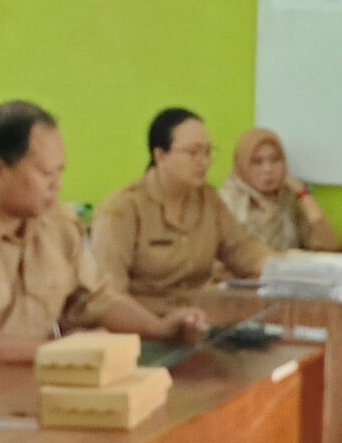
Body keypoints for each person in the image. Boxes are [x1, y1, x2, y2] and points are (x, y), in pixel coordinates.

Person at [0, 101, 211, 394]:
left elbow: (97, 298)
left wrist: (156, 327)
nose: (57, 185)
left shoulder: (58, 227)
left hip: (21, 395)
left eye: (60, 172)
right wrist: (54, 351)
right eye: (44, 173)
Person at [91, 108, 272, 305]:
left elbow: (243, 250)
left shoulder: (209, 200)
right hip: (144, 324)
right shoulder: (122, 210)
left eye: (208, 152)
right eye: (193, 152)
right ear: (161, 156)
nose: (204, 162)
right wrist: (158, 326)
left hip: (199, 318)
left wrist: (288, 270)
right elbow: (109, 296)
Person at [219, 126, 339, 253]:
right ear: (242, 166)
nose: (268, 169)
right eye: (257, 162)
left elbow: (329, 246)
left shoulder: (288, 201)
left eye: (275, 160)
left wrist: (302, 193)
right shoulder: (227, 203)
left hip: (284, 271)